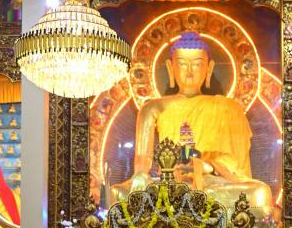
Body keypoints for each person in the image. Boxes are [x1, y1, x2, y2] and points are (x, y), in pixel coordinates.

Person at [117, 32, 273, 213]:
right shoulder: (152, 108)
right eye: (182, 64)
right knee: (118, 193)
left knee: (260, 192)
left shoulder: (228, 108)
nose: (189, 71)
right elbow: (142, 165)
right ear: (170, 68)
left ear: (209, 68)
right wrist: (140, 176)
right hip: (171, 183)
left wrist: (206, 166)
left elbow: (237, 168)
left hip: (213, 182)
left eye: (197, 64)